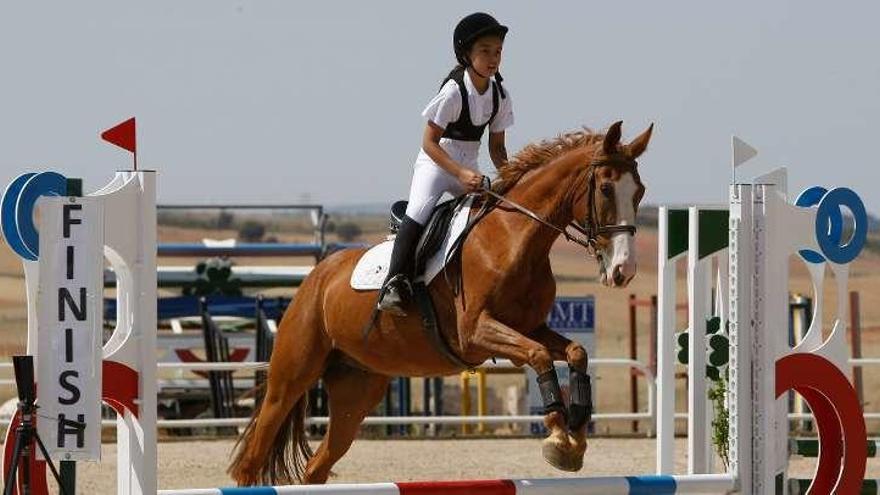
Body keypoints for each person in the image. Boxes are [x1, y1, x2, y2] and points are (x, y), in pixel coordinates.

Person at [378, 12, 515, 316]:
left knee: (491, 215)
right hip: (436, 163)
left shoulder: (500, 95)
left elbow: (497, 147)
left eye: (498, 52)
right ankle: (394, 283)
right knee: (419, 210)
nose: (493, 58)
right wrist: (460, 173)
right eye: (485, 51)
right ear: (466, 54)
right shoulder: (454, 91)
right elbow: (428, 142)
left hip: (470, 162)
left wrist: (511, 179)